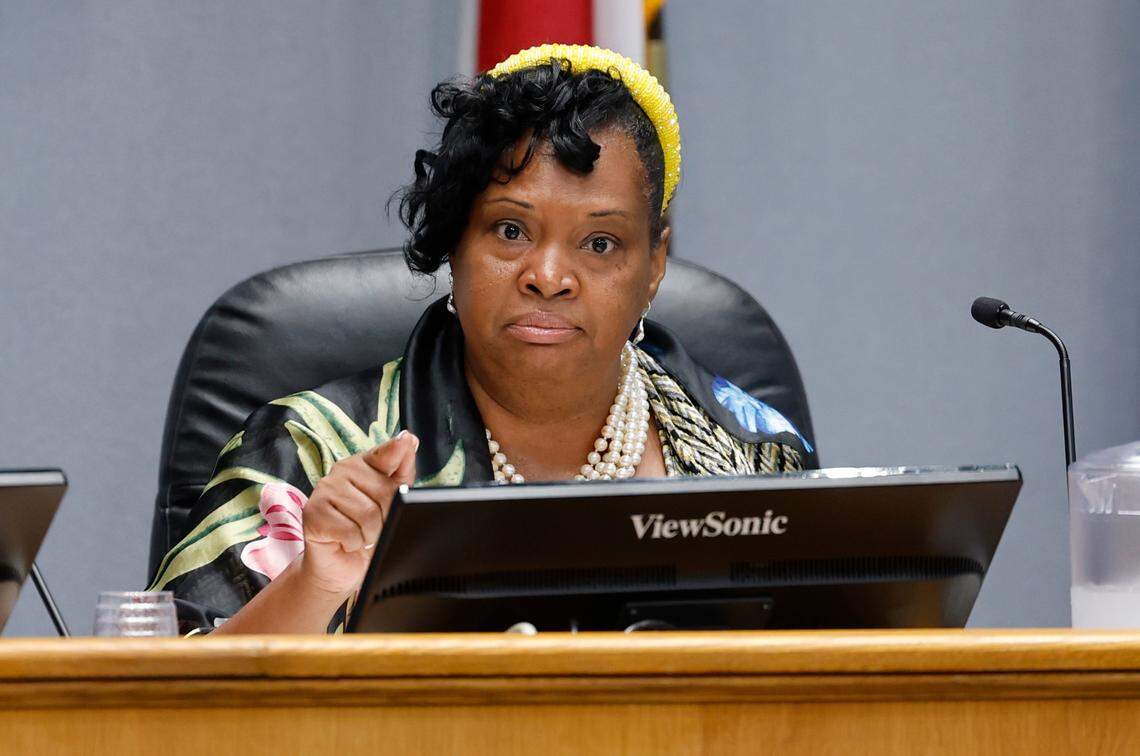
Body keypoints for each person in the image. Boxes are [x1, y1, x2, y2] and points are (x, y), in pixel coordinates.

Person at [149, 44, 815, 635]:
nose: (549, 277)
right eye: (510, 231)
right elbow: (165, 712)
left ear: (654, 267)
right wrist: (315, 582)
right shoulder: (310, 449)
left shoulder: (754, 458)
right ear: (454, 243)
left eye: (601, 242)